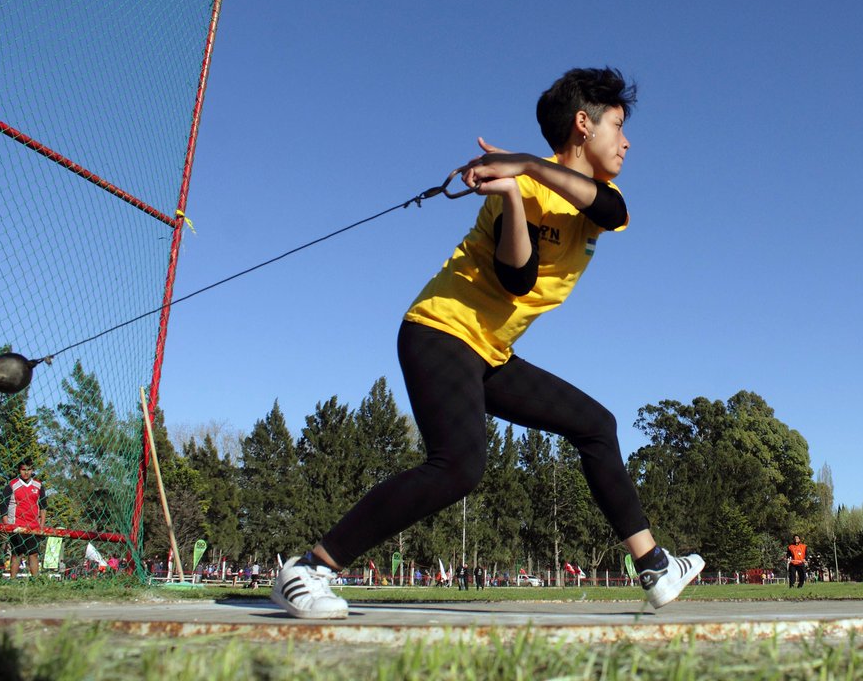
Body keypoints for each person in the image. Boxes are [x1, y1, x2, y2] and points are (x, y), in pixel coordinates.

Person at [272, 68, 704, 619]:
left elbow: (611, 211)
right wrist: (516, 193)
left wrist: (524, 162)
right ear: (582, 124)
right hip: (441, 330)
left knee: (596, 425)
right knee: (458, 466)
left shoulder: (595, 195)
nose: (626, 140)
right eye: (616, 125)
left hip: (490, 353)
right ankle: (310, 569)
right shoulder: (514, 192)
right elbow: (516, 281)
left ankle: (654, 566)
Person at [0, 459, 47, 579]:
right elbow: (3, 506)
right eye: (23, 470)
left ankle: (36, 581)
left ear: (32, 470)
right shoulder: (12, 485)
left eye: (28, 470)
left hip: (33, 525)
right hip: (16, 525)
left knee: (33, 554)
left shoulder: (38, 485)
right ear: (19, 470)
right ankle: (12, 580)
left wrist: (41, 525)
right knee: (17, 553)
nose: (26, 472)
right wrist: (7, 525)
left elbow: (43, 507)